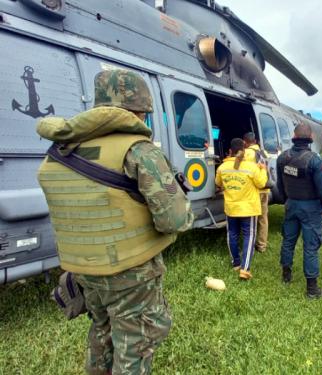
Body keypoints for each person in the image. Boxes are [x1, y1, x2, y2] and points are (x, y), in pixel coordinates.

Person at [37, 69, 194, 375]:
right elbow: (174, 220)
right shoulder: (139, 151)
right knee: (135, 341)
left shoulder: (62, 150)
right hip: (130, 273)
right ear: (138, 111)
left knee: (102, 329)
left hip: (84, 270)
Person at [277, 123, 322, 298]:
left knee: (288, 241)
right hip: (310, 208)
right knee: (310, 247)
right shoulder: (314, 160)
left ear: (294, 136)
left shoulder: (282, 157)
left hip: (291, 204)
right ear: (311, 138)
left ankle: (286, 275)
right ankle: (312, 289)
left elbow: (280, 184)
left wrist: (288, 200)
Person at [215, 138, 268, 280]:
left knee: (232, 233)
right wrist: (264, 170)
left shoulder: (222, 168)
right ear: (244, 152)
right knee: (249, 236)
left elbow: (218, 183)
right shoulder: (252, 167)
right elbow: (262, 183)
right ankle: (245, 269)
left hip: (231, 208)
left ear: (230, 151)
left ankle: (236, 263)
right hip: (248, 209)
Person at [243, 132, 270, 253]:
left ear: (245, 142)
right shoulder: (264, 152)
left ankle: (250, 245)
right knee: (263, 218)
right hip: (265, 189)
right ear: (255, 141)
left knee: (251, 219)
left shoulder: (247, 153)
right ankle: (262, 245)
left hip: (253, 190)